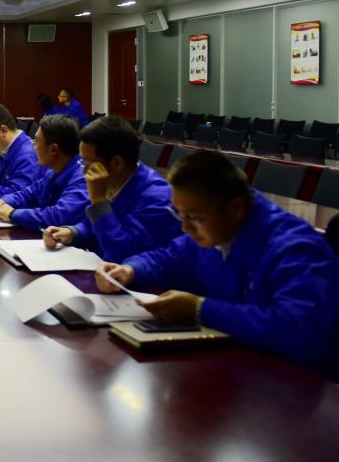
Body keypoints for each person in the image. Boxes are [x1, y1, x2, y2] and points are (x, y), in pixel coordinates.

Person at [96, 150, 339, 375]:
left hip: (300, 380)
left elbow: (298, 329)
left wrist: (200, 309)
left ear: (235, 209)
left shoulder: (295, 249)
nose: (185, 227)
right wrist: (130, 270)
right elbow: (169, 257)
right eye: (180, 215)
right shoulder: (218, 230)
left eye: (194, 217)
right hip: (240, 363)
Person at [42, 115, 182, 261]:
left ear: (117, 163)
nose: (83, 171)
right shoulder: (115, 180)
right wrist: (72, 232)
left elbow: (120, 253)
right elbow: (91, 226)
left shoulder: (158, 199)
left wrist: (99, 201)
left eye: (88, 163)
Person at [0, 114, 88, 229]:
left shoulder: (82, 178)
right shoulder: (54, 171)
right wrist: (4, 200)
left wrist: (12, 214)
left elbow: (57, 216)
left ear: (53, 149)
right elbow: (29, 193)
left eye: (36, 142)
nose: (33, 146)